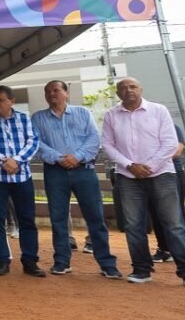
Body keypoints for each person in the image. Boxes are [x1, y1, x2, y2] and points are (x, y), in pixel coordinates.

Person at [101, 77, 185, 289]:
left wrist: (148, 166)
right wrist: (130, 165)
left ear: (140, 89)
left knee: (174, 224)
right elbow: (107, 145)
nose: (128, 90)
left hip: (162, 175)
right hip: (128, 177)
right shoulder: (112, 115)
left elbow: (170, 143)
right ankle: (141, 269)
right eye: (123, 88)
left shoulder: (158, 110)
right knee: (133, 225)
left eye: (132, 87)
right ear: (117, 93)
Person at [31, 80, 122, 279]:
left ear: (67, 93)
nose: (51, 94)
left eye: (56, 90)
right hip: (55, 172)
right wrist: (59, 158)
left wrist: (77, 157)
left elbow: (93, 138)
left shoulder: (82, 113)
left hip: (84, 170)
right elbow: (37, 144)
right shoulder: (37, 118)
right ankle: (61, 261)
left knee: (95, 217)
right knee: (58, 218)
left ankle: (107, 263)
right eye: (47, 91)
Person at [0, 85, 46, 277]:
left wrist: (17, 160)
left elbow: (33, 142)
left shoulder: (24, 119)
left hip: (22, 175)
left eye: (1, 100)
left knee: (27, 219)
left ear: (11, 101)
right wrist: (3, 160)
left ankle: (30, 260)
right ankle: (2, 260)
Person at [148, 124, 185, 267]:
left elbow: (177, 150)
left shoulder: (171, 126)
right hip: (148, 174)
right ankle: (164, 249)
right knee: (155, 212)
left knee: (177, 214)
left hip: (172, 173)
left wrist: (153, 161)